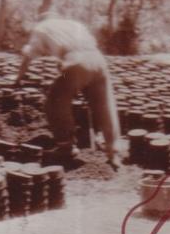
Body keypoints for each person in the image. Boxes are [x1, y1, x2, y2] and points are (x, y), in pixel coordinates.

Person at [15, 14, 120, 170]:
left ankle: (66, 147)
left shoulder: (40, 28)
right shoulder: (74, 23)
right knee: (104, 107)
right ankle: (113, 152)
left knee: (54, 102)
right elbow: (84, 47)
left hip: (76, 62)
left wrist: (18, 78)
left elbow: (28, 56)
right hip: (98, 60)